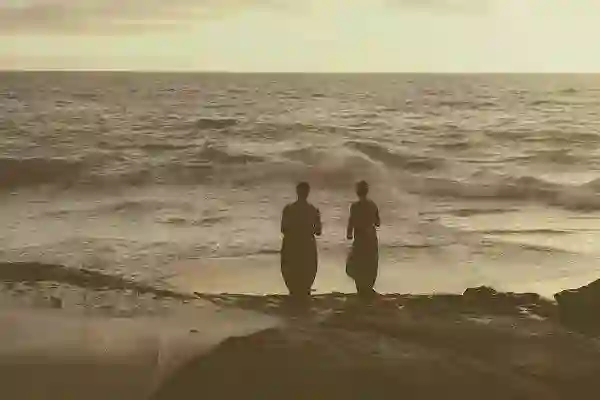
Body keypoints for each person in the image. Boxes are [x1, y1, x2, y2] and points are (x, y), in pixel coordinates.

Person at [280, 182, 322, 301]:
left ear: (297, 192)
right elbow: (318, 231)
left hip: (292, 244)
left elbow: (283, 229)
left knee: (291, 273)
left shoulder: (288, 209)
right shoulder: (313, 210)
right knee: (307, 272)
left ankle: (294, 294)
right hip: (307, 244)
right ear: (308, 193)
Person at [346, 180, 380, 300]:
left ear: (357, 192)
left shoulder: (354, 206)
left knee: (358, 263)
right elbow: (378, 222)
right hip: (370, 236)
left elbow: (351, 221)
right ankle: (368, 288)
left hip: (360, 237)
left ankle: (361, 288)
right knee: (370, 262)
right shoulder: (372, 205)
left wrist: (349, 233)